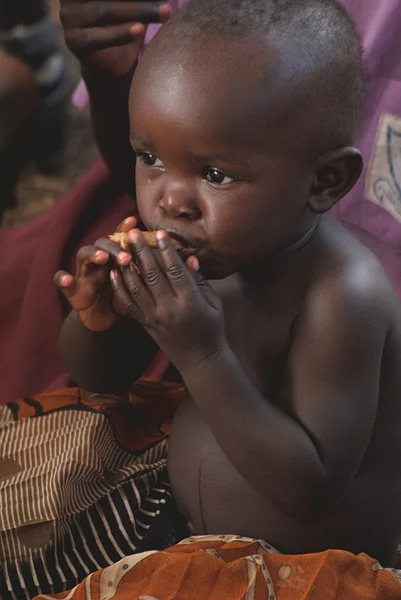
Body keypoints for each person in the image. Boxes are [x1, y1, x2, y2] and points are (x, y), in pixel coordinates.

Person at [55, 0, 401, 573]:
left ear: (325, 181)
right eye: (151, 158)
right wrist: (98, 324)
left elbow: (308, 488)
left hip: (304, 572)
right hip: (187, 536)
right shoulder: (210, 247)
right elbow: (101, 379)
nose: (170, 200)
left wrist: (200, 351)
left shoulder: (342, 294)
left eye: (215, 174)